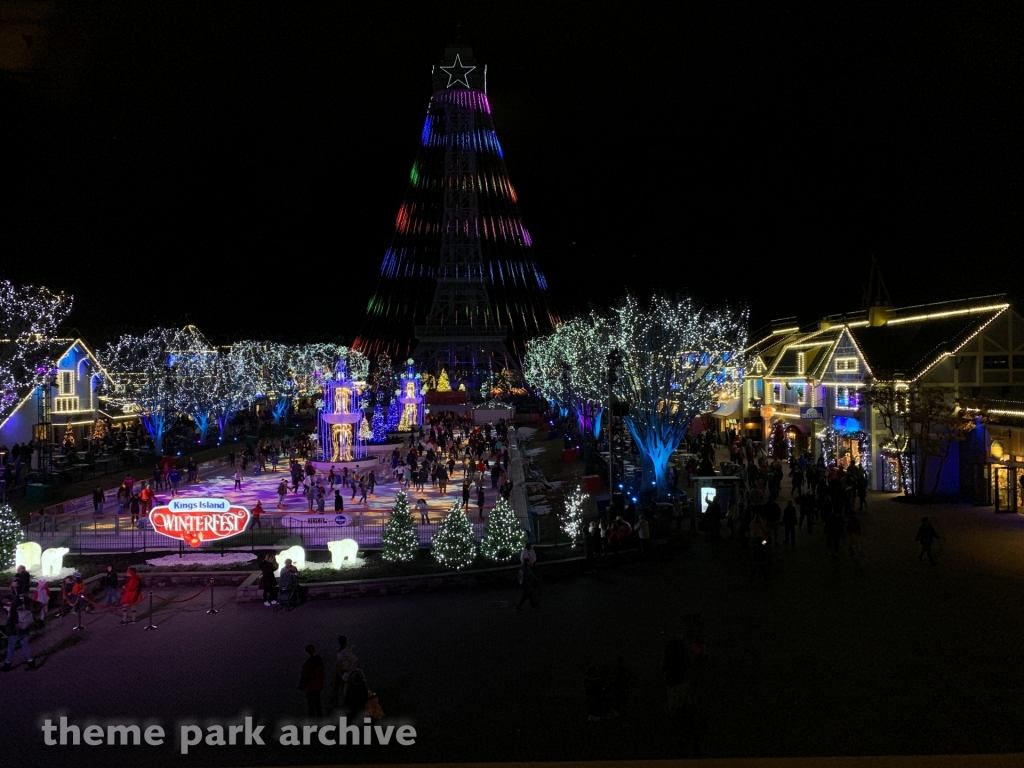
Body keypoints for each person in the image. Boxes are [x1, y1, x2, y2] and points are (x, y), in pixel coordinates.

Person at [1, 594, 37, 671]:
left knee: (10, 647)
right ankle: (32, 664)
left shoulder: (13, 611)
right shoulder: (26, 610)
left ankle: (8, 664)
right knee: (25, 646)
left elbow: (10, 623)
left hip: (15, 633)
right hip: (25, 631)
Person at [331, 636, 359, 710]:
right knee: (340, 691)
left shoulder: (345, 651)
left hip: (343, 673)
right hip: (341, 673)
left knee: (343, 691)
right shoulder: (344, 650)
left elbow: (355, 660)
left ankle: (345, 709)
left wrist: (348, 669)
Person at [298, 644, 324, 717]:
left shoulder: (307, 665)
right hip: (318, 686)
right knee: (318, 704)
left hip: (310, 687)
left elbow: (305, 676)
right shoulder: (319, 662)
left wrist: (302, 686)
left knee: (311, 706)